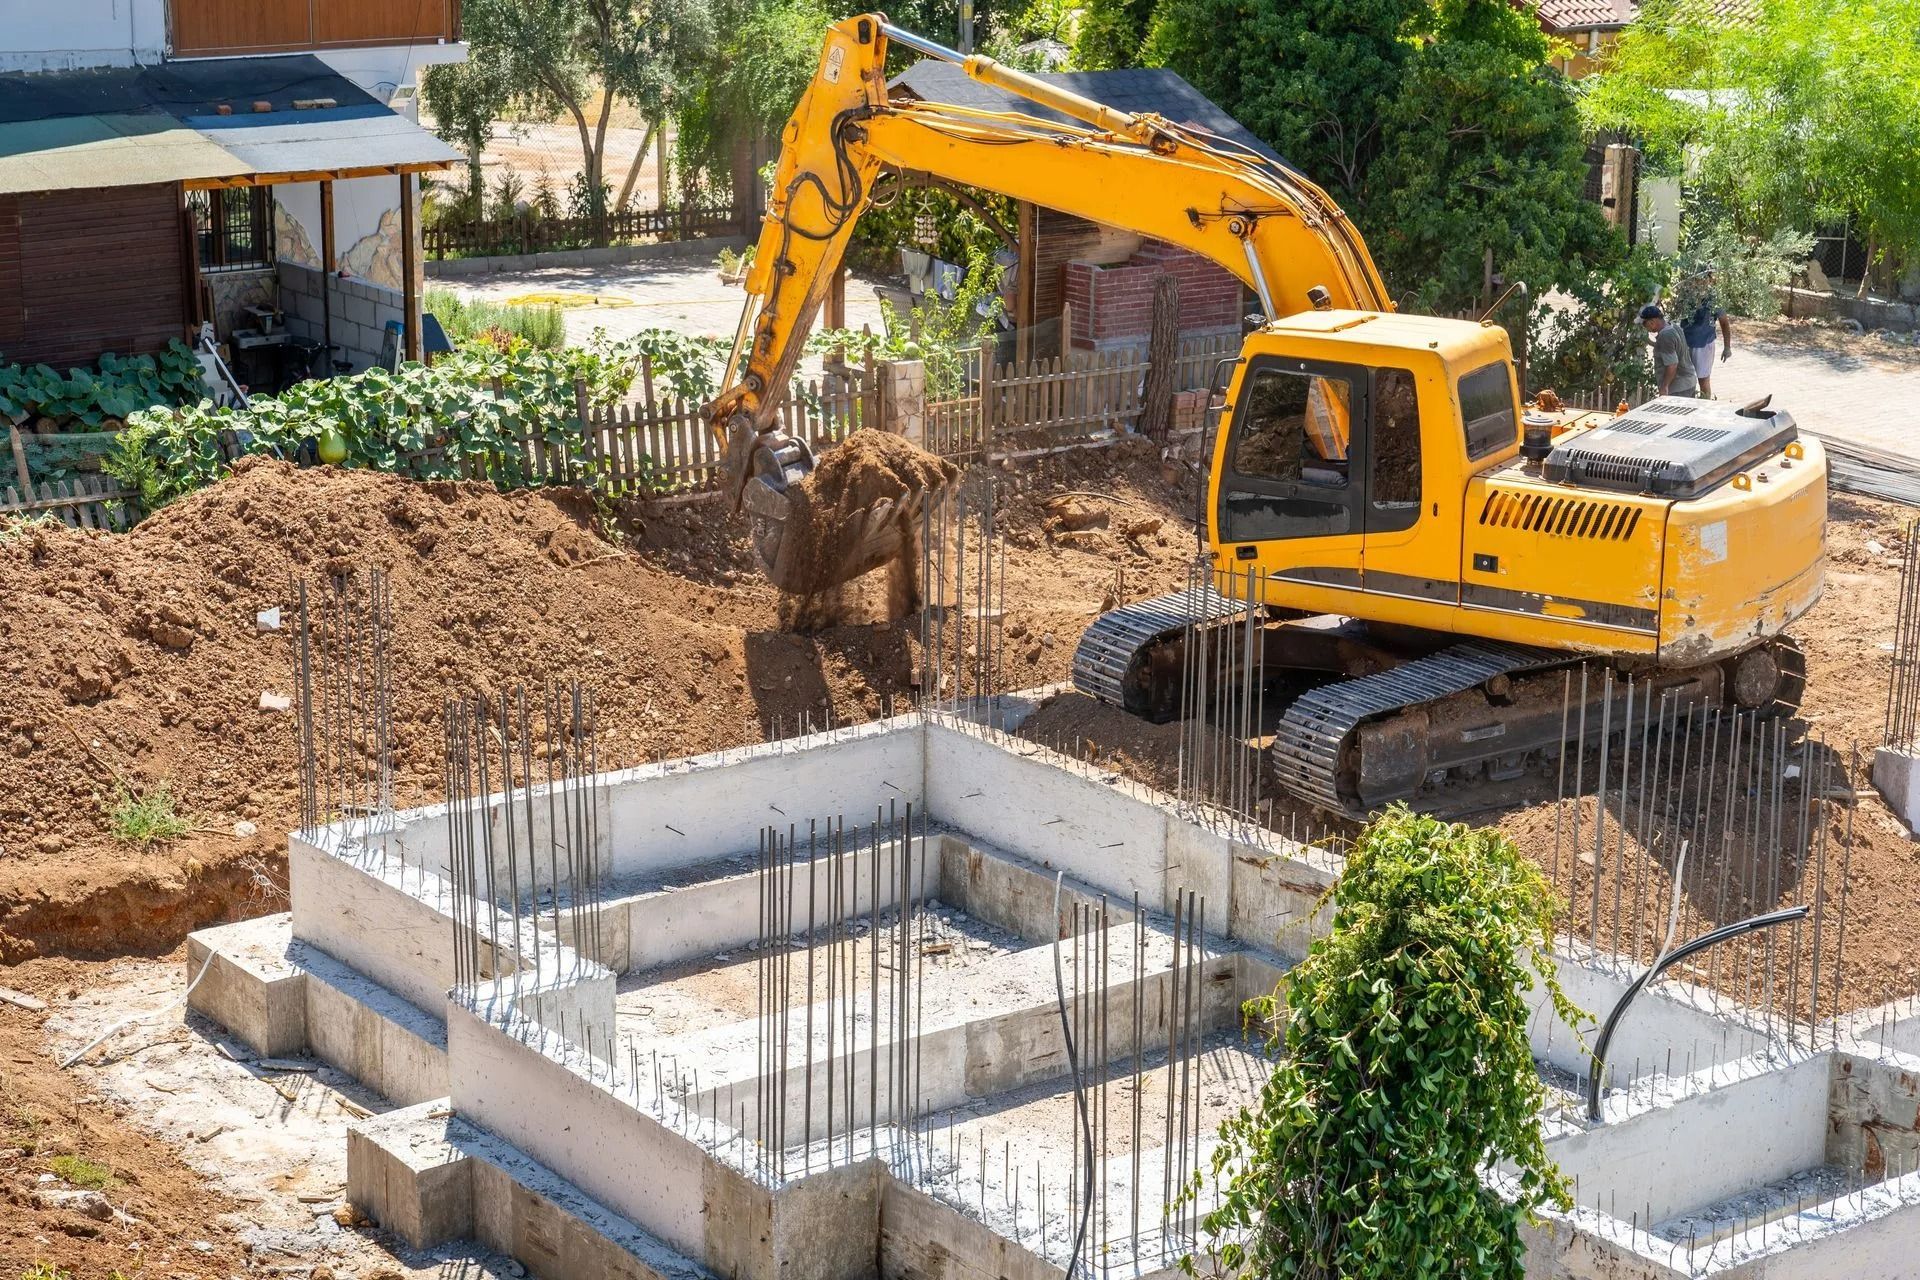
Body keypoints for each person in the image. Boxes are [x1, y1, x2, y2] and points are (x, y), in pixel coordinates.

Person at [1681, 269, 1732, 397]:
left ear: (1708, 279)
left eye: (1703, 279)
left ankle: (1705, 404)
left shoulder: (1713, 299)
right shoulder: (1685, 296)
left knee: (1703, 380)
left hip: (1703, 345)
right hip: (1684, 343)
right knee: (1685, 380)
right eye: (1696, 279)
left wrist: (1727, 347)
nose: (1699, 282)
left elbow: (1724, 323)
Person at [1641, 303, 1698, 398]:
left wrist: (1665, 386)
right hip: (1689, 381)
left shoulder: (1665, 336)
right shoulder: (1673, 326)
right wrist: (1650, 342)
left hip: (1679, 388)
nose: (1646, 328)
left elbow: (1672, 365)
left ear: (1652, 322)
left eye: (1645, 324)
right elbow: (1669, 349)